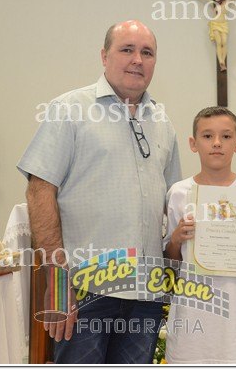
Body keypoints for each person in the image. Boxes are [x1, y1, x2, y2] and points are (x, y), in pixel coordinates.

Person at [17, 20, 182, 364]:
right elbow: (39, 191)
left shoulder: (162, 123)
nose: (137, 59)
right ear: (104, 56)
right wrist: (57, 282)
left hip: (146, 294)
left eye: (147, 52)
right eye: (127, 50)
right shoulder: (69, 110)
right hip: (84, 291)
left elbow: (173, 204)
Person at [163, 106, 236, 364]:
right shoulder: (179, 192)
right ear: (193, 143)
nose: (217, 143)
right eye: (208, 136)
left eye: (226, 136)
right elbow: (171, 260)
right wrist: (176, 239)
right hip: (193, 309)